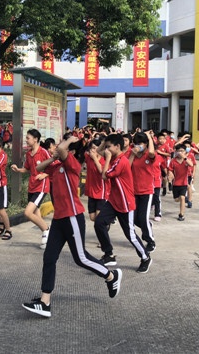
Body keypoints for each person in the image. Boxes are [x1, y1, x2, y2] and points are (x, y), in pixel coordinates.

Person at [22, 135, 123, 318]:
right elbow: (38, 168)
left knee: (80, 258)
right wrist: (53, 157)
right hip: (59, 219)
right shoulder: (56, 166)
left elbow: (62, 150)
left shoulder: (72, 164)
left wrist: (69, 142)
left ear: (72, 151)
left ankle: (111, 276)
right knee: (49, 257)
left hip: (73, 216)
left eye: (62, 145)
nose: (57, 148)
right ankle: (45, 302)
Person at [94, 134, 152, 273]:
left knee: (130, 235)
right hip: (113, 201)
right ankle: (108, 254)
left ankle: (145, 257)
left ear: (117, 146)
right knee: (99, 223)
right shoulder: (114, 156)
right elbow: (99, 151)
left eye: (109, 147)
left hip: (125, 202)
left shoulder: (121, 161)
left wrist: (107, 158)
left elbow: (104, 175)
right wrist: (105, 140)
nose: (106, 150)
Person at [10, 129, 51, 249]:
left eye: (28, 138)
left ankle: (47, 230)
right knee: (36, 214)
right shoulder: (29, 154)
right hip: (32, 186)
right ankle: (47, 236)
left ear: (36, 139)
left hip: (41, 186)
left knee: (27, 212)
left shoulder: (44, 152)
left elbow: (54, 165)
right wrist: (18, 169)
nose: (26, 140)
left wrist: (44, 174)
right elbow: (27, 168)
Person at [129, 131, 159, 249]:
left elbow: (151, 152)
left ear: (146, 144)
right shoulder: (132, 153)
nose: (138, 145)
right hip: (134, 191)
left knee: (143, 217)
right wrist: (133, 154)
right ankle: (147, 226)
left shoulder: (148, 155)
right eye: (136, 143)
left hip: (146, 191)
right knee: (135, 218)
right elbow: (126, 167)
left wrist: (150, 138)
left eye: (141, 143)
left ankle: (150, 241)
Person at [84, 138, 109, 222]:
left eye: (95, 148)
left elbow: (101, 171)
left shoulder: (104, 160)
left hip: (101, 190)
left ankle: (105, 224)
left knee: (99, 216)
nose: (93, 150)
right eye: (92, 148)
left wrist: (95, 159)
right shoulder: (88, 157)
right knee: (92, 217)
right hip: (91, 190)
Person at [167, 144, 194, 222]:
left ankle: (181, 214)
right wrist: (170, 176)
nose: (180, 152)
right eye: (178, 151)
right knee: (176, 199)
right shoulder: (173, 161)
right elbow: (170, 170)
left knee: (182, 198)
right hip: (175, 183)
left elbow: (191, 164)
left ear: (185, 151)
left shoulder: (186, 160)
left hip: (184, 183)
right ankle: (182, 198)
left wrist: (184, 157)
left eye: (182, 151)